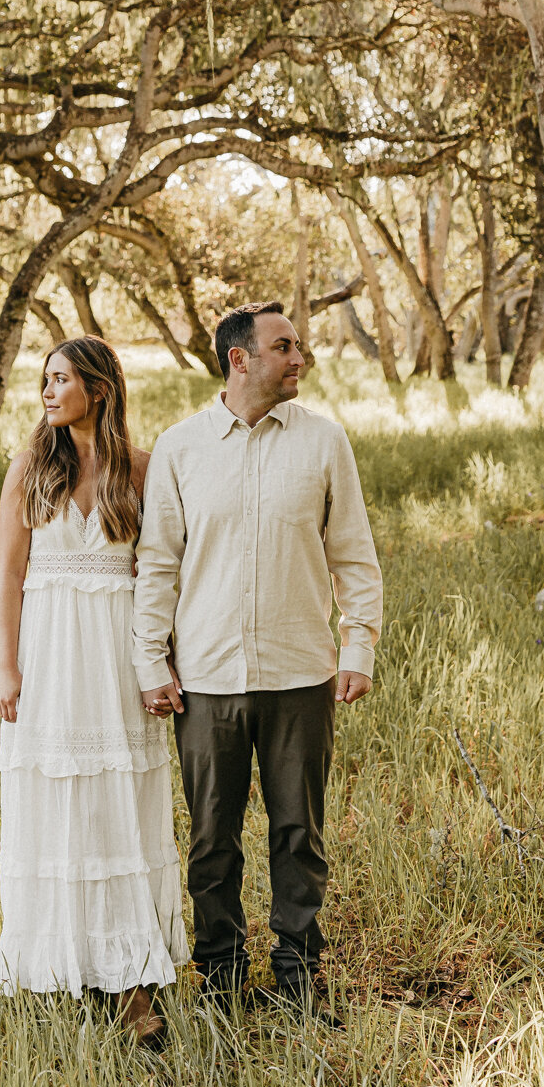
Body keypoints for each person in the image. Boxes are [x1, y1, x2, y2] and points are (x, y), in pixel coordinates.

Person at [133, 302, 383, 1017]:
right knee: (212, 840)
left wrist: (356, 645)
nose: (298, 357)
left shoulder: (325, 442)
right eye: (283, 346)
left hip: (301, 674)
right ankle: (221, 976)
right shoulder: (180, 448)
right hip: (205, 680)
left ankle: (299, 976)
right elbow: (157, 565)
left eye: (298, 345)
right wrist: (152, 663)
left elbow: (353, 553)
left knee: (298, 834)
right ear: (239, 358)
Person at [0, 335, 187, 1047]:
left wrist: (157, 665)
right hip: (47, 663)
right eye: (43, 380)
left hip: (112, 665)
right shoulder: (28, 471)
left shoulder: (139, 471)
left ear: (98, 390)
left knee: (116, 811)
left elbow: (161, 578)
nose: (47, 392)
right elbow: (8, 579)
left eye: (61, 379)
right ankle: (61, 965)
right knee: (53, 808)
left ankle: (131, 983)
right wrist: (5, 668)